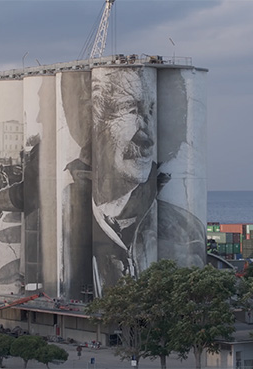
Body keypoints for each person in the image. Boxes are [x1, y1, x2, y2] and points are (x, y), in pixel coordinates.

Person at [90, 67, 158, 297]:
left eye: (151, 112)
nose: (148, 137)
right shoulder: (61, 221)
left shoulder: (182, 230)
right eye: (132, 110)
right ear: (97, 123)